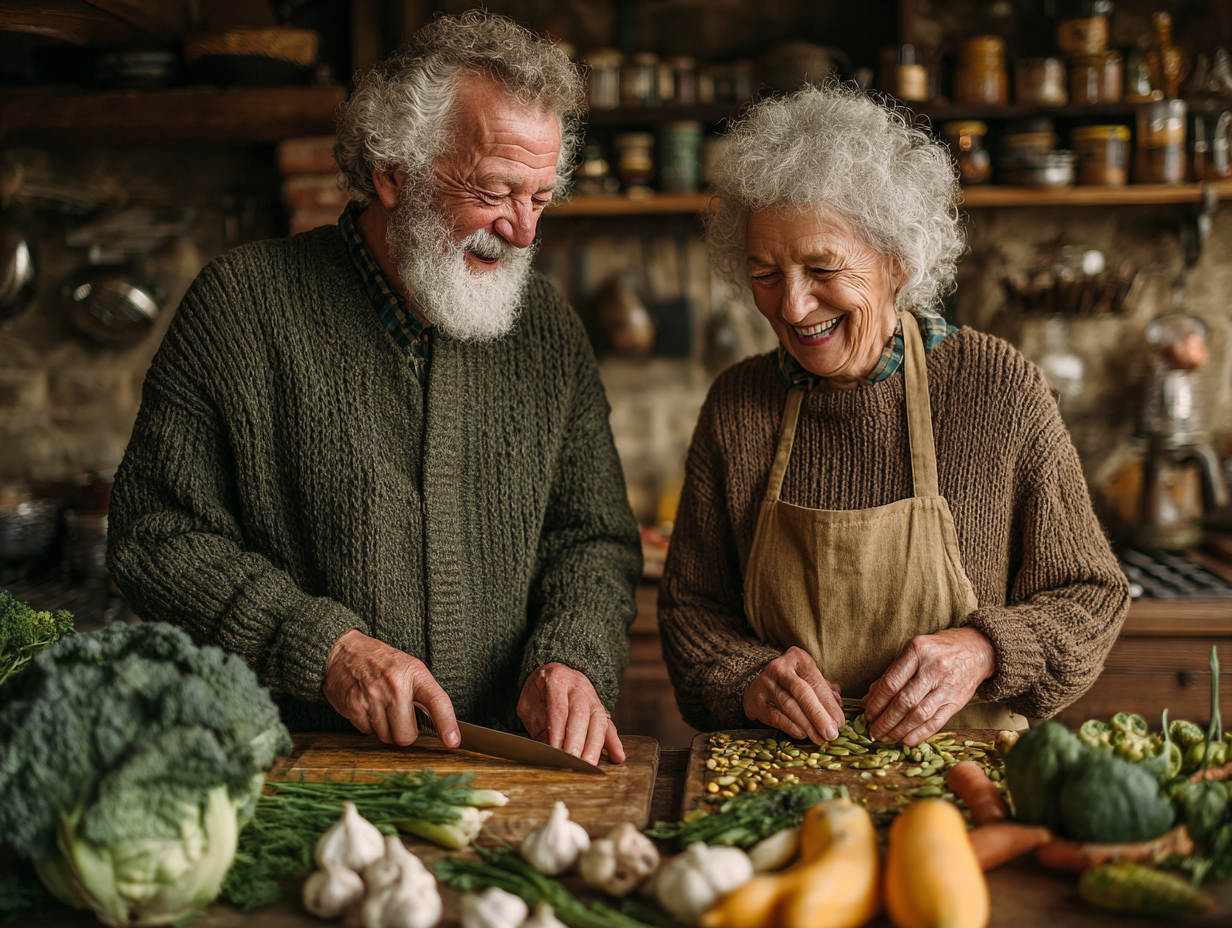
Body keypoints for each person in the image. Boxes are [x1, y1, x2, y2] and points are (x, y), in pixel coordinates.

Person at [107, 12, 640, 766]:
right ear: (393, 174)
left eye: (540, 199)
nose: (523, 231)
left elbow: (593, 537)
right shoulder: (241, 307)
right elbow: (154, 538)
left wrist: (572, 656)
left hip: (506, 773)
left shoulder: (546, 327)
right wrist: (325, 649)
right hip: (294, 768)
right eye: (496, 191)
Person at [659, 85, 1130, 747]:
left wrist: (986, 649)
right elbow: (691, 610)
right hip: (783, 784)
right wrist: (746, 677)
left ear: (898, 260)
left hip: (964, 781)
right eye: (765, 273)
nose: (792, 306)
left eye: (822, 267)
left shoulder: (998, 389)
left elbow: (1091, 595)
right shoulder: (737, 407)